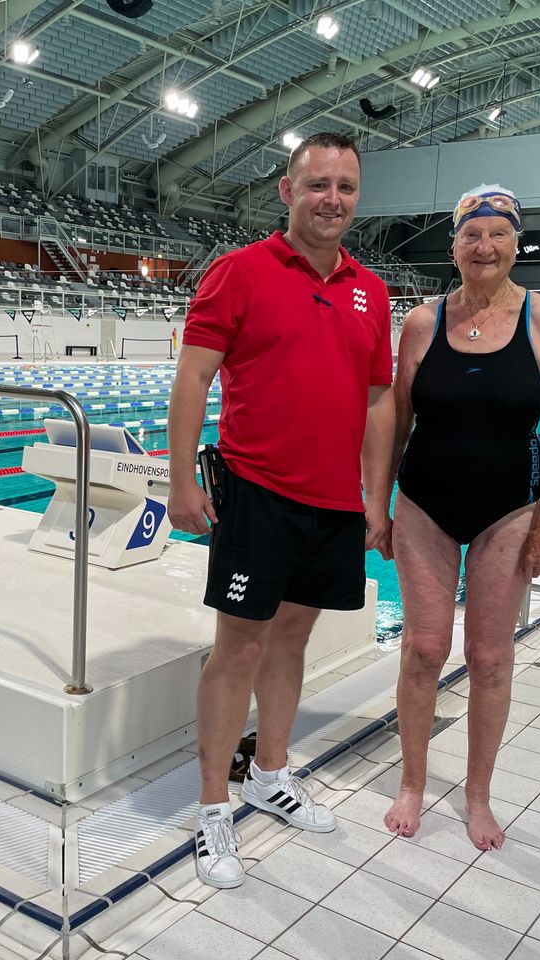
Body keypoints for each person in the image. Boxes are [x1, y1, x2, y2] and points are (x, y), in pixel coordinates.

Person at [167, 132, 395, 889]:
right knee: (237, 647)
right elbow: (194, 377)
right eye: (318, 184)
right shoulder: (240, 272)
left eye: (346, 187)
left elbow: (377, 399)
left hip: (334, 501)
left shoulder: (371, 289)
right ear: (287, 192)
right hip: (259, 492)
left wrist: (374, 493)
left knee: (293, 641)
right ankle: (210, 809)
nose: (333, 199)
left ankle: (269, 773)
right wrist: (179, 480)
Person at [383, 184, 540, 850]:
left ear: (516, 243)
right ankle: (412, 782)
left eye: (498, 234)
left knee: (491, 658)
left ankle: (476, 796)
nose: (485, 246)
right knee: (424, 649)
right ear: (455, 245)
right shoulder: (420, 323)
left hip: (510, 510)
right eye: (472, 234)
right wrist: (373, 504)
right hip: (423, 505)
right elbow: (394, 420)